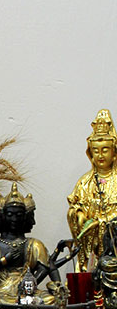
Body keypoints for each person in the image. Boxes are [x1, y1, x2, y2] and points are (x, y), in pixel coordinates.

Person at [67, 109, 117, 271]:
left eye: (105, 150)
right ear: (90, 153)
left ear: (114, 153)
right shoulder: (84, 182)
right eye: (96, 150)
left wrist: (104, 222)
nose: (100, 155)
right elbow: (74, 207)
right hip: (92, 246)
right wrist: (79, 215)